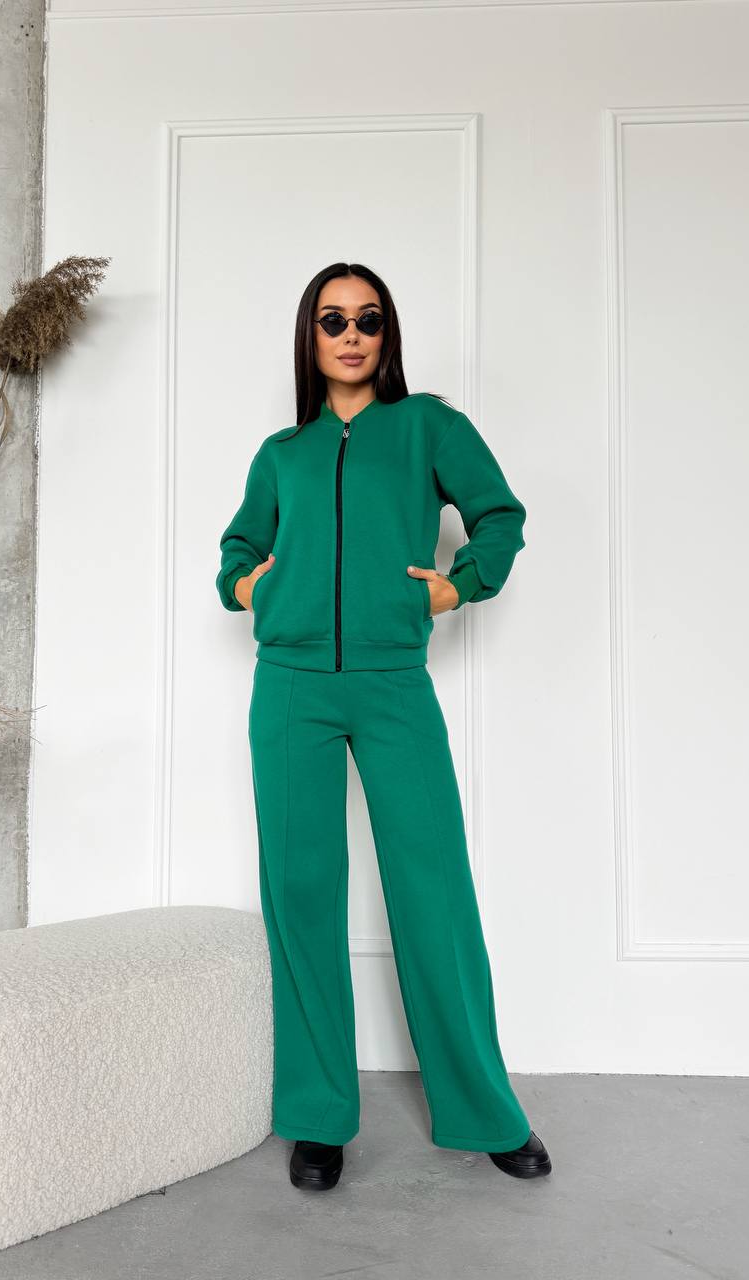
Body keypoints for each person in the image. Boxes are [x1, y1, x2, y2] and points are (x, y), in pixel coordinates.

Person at [215, 262, 551, 1192]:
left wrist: (459, 584)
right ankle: (318, 1117)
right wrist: (250, 584)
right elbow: (237, 550)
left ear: (386, 334)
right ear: (311, 337)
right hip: (290, 689)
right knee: (301, 893)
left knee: (432, 887)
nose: (352, 334)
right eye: (333, 320)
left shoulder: (427, 426)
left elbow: (499, 517)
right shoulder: (282, 452)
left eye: (367, 319)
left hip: (393, 681)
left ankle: (486, 1110)